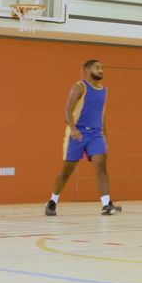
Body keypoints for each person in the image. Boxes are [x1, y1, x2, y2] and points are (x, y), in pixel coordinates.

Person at [44, 59, 121, 217]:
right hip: (77, 133)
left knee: (101, 166)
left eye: (102, 68)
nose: (101, 71)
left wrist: (104, 135)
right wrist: (72, 129)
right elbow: (67, 110)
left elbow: (102, 114)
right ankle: (52, 201)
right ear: (87, 70)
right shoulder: (80, 87)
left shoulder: (104, 90)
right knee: (67, 171)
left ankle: (106, 204)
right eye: (97, 68)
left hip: (95, 134)